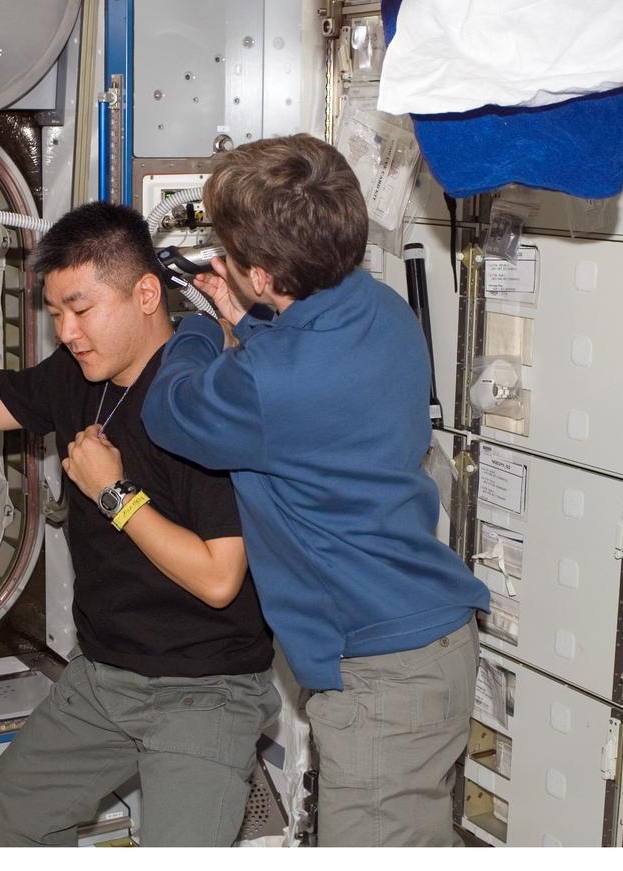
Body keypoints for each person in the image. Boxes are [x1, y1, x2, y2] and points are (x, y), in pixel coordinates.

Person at [0, 201, 277, 847]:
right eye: (56, 312)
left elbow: (219, 577)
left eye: (81, 308)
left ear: (146, 293)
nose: (66, 330)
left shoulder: (198, 395)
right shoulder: (79, 375)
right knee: (21, 805)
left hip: (204, 689)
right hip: (107, 675)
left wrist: (115, 494)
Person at [140, 134, 490, 847]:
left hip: (384, 677)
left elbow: (168, 409)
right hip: (427, 639)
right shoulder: (382, 308)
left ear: (263, 276)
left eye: (232, 260)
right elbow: (306, 371)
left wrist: (196, 332)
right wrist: (252, 327)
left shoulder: (270, 383)